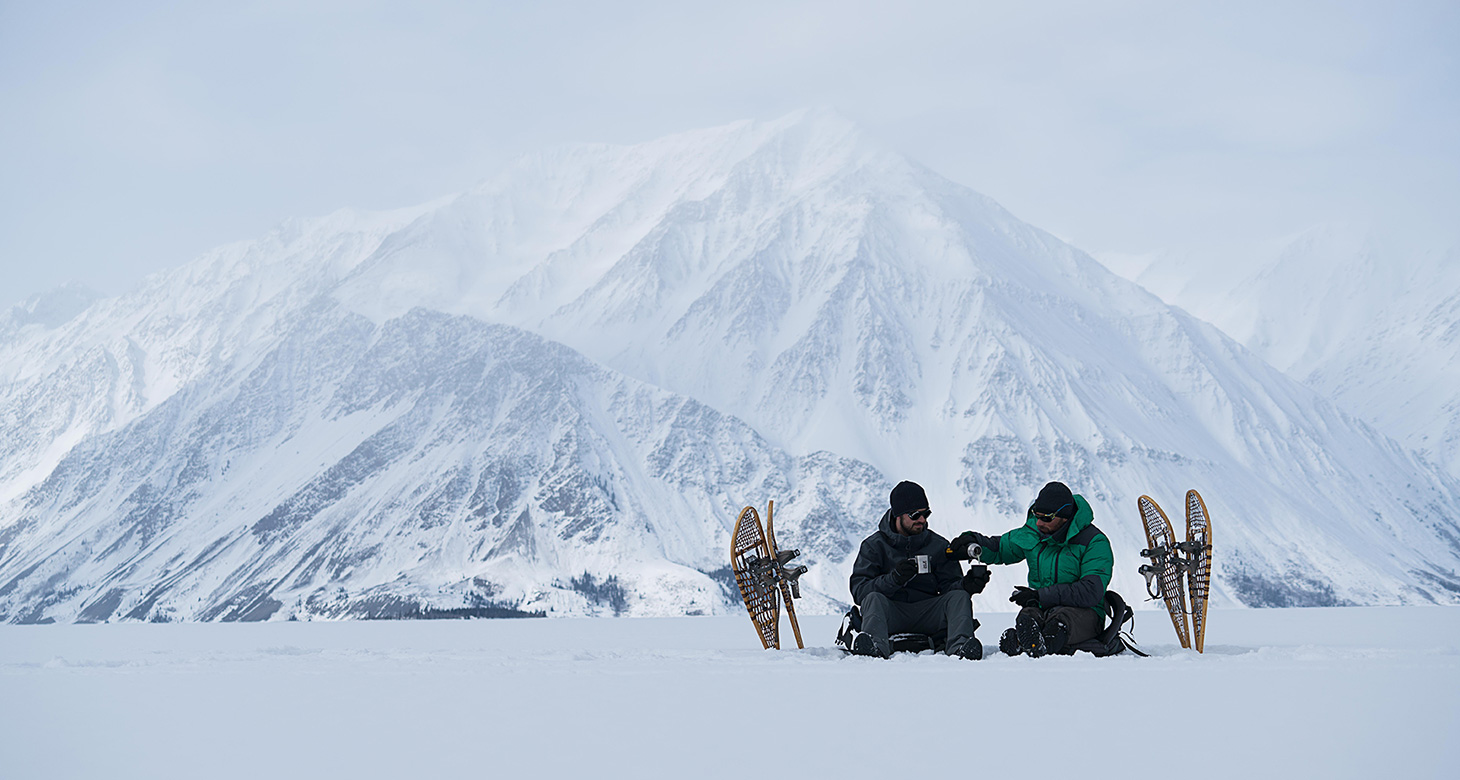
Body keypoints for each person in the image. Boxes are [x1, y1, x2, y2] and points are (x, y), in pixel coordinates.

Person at [949, 481, 1113, 658]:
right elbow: (1000, 548)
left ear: (1065, 516)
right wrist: (973, 542)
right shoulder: (1034, 533)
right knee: (1028, 616)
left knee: (1059, 622)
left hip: (1085, 613)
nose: (1039, 522)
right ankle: (1025, 642)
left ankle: (1029, 644)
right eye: (1036, 515)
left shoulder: (1094, 542)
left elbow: (1090, 591)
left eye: (1046, 518)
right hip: (1043, 607)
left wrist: (1040, 595)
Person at [847, 480, 990, 659]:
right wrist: (894, 579)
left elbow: (949, 588)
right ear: (898, 515)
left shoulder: (938, 545)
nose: (922, 520)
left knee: (959, 597)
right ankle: (874, 648)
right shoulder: (874, 546)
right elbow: (860, 591)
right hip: (891, 614)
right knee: (873, 599)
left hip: (928, 613)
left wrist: (967, 585)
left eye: (926, 514)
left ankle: (961, 649)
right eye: (915, 515)